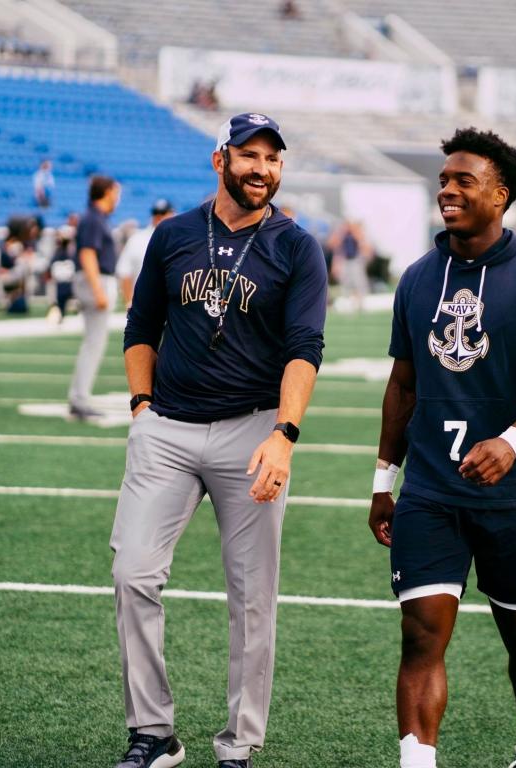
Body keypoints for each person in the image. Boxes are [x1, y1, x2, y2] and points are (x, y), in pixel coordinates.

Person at [111, 112, 327, 768]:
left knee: (252, 597)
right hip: (167, 430)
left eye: (273, 159)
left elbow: (304, 348)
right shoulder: (174, 234)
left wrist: (285, 434)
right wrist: (142, 406)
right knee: (132, 574)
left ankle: (239, 746)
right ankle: (153, 732)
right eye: (250, 155)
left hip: (252, 431)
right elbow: (141, 324)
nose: (262, 169)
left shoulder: (296, 246)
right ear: (220, 160)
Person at [368, 127, 516, 768]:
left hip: (510, 495)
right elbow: (403, 386)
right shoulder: (416, 279)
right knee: (421, 635)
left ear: (501, 193)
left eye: (464, 181)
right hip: (430, 491)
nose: (448, 191)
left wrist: (513, 441)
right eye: (443, 180)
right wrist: (384, 481)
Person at [68, 175, 121, 420]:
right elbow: (88, 254)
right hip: (96, 280)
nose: (118, 197)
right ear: (107, 192)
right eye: (116, 191)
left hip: (97, 280)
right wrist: (98, 290)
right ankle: (79, 398)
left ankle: (79, 396)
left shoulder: (95, 218)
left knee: (94, 342)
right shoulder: (93, 219)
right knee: (94, 343)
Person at [116, 198, 176, 308]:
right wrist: (129, 302)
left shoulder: (179, 238)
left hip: (172, 304)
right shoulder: (136, 239)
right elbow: (124, 273)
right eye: (159, 215)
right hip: (145, 304)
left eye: (164, 214)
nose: (161, 218)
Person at [328, 219, 373, 311]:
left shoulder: (358, 235)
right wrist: (341, 233)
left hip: (356, 261)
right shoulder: (343, 235)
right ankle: (349, 303)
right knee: (346, 283)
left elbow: (366, 249)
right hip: (345, 261)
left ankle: (360, 303)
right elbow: (332, 245)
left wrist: (356, 233)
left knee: (358, 282)